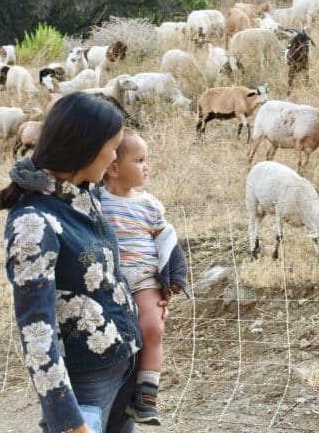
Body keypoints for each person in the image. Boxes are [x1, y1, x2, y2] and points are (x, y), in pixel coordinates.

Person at [0, 93, 143, 433]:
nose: (116, 157)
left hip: (122, 365)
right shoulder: (33, 223)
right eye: (113, 147)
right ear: (86, 148)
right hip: (86, 383)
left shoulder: (82, 195)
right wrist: (68, 419)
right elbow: (36, 331)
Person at [95, 129, 187, 425]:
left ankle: (147, 396)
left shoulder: (149, 204)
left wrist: (174, 278)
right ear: (113, 167)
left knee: (153, 327)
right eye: (139, 160)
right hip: (111, 279)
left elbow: (167, 241)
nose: (146, 166)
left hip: (145, 279)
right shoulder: (97, 202)